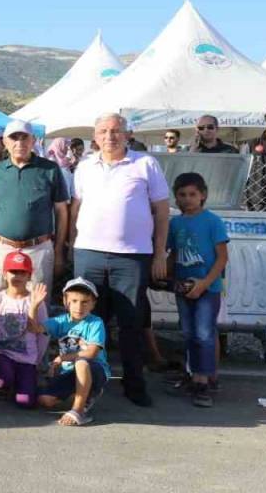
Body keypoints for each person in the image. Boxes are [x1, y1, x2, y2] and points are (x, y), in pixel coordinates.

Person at [70, 112, 169, 407]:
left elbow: (162, 212)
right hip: (88, 254)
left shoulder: (145, 164)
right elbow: (76, 210)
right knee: (88, 322)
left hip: (133, 257)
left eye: (115, 131)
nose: (109, 136)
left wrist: (160, 252)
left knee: (131, 322)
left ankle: (133, 383)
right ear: (95, 137)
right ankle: (84, 381)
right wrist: (69, 246)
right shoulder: (84, 167)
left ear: (127, 134)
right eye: (103, 131)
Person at [166, 172, 229, 408]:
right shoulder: (176, 223)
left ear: (202, 195)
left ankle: (204, 380)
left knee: (204, 332)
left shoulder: (212, 221)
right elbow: (173, 255)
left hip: (207, 288)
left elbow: (222, 258)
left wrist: (204, 283)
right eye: (182, 195)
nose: (187, 199)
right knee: (188, 332)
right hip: (184, 287)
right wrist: (167, 276)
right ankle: (193, 373)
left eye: (193, 194)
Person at [0, 120, 69, 293]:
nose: (19, 143)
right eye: (14, 138)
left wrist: (59, 249)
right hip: (1, 247)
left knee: (39, 303)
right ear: (5, 142)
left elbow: (61, 211)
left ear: (33, 141)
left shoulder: (50, 169)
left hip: (38, 249)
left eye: (24, 138)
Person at [29, 279, 111, 427]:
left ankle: (78, 410)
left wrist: (62, 357)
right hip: (69, 372)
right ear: (66, 301)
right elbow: (33, 328)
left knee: (81, 361)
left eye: (85, 302)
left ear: (93, 303)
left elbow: (91, 353)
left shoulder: (95, 322)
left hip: (95, 370)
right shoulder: (61, 321)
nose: (79, 307)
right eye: (74, 301)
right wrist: (34, 305)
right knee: (45, 400)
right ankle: (87, 393)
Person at [0, 251, 47, 409]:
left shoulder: (35, 300)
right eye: (13, 272)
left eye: (22, 272)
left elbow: (43, 333)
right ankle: (4, 383)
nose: (17, 277)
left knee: (25, 402)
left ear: (29, 276)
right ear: (5, 274)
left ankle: (20, 385)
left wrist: (37, 359)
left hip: (27, 359)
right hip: (4, 354)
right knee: (3, 379)